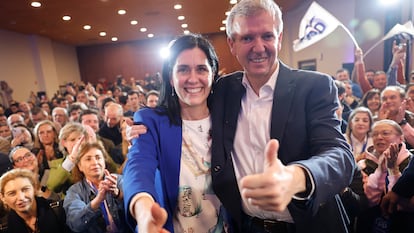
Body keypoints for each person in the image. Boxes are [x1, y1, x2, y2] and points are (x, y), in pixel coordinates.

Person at [210, 0, 355, 232]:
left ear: (279, 38)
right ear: (232, 44)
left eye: (267, 36)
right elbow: (185, 110)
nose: (258, 47)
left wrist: (295, 178)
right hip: (247, 226)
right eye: (247, 38)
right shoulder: (222, 91)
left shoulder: (314, 86)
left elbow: (340, 156)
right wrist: (143, 126)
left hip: (309, 225)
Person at [123, 34, 229, 233]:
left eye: (201, 69)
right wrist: (145, 212)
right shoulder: (151, 121)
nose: (192, 78)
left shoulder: (228, 117)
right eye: (183, 69)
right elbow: (138, 167)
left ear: (213, 74)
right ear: (170, 77)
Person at [63, 142, 129, 233]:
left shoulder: (119, 180)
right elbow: (75, 224)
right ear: (80, 166)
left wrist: (118, 194)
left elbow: (136, 210)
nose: (95, 162)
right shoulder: (74, 191)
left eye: (98, 158)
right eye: (88, 159)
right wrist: (97, 201)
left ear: (104, 162)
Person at [0, 168, 70, 232]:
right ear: (2, 197)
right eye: (12, 193)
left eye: (25, 189)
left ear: (34, 189)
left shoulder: (58, 210)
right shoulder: (4, 227)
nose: (21, 197)